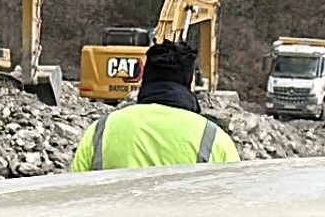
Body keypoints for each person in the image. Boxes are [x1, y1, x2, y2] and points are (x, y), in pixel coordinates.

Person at [69, 40, 241, 171]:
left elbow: (73, 194)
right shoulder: (214, 139)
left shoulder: (101, 130)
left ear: (146, 78)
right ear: (188, 82)